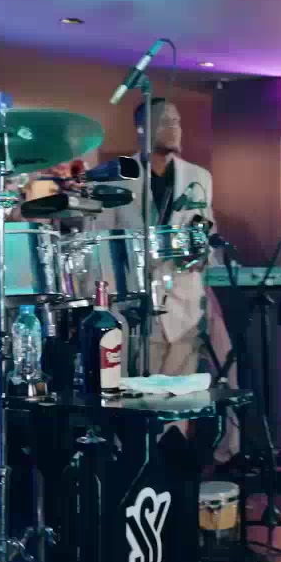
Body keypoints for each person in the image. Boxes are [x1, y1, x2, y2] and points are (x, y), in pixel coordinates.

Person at [103, 99, 215, 377]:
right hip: (136, 309)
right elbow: (103, 244)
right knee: (138, 395)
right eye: (166, 122)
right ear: (142, 128)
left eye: (177, 121)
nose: (175, 128)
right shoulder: (116, 174)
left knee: (182, 397)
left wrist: (201, 254)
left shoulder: (199, 176)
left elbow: (207, 234)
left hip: (186, 309)